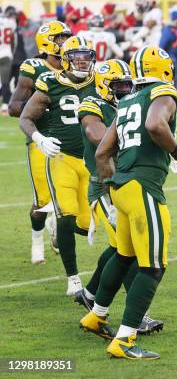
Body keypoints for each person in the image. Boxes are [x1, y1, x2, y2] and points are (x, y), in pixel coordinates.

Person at [80, 45, 177, 360]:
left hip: (121, 186)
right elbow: (156, 125)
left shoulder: (125, 101)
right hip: (143, 187)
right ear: (164, 69)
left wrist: (112, 190)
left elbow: (102, 153)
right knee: (153, 265)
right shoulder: (162, 92)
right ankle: (125, 338)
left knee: (124, 255)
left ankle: (96, 314)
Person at [76, 59, 163, 334]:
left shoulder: (127, 104)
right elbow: (96, 135)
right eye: (120, 85)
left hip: (125, 183)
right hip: (104, 185)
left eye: (129, 84)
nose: (126, 90)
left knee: (120, 249)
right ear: (104, 86)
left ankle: (90, 296)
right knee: (133, 251)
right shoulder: (92, 103)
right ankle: (137, 316)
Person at [19, 36, 98, 294]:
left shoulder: (99, 82)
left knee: (86, 225)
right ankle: (73, 279)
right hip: (61, 158)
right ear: (65, 59)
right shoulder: (50, 82)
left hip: (89, 160)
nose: (82, 62)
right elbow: (26, 118)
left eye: (86, 57)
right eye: (77, 57)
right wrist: (39, 139)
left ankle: (56, 225)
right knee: (66, 215)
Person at [9, 21, 71, 264]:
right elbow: (15, 107)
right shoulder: (34, 67)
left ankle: (59, 227)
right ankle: (37, 239)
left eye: (66, 38)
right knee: (42, 200)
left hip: (69, 139)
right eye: (60, 38)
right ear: (47, 43)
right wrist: (45, 109)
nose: (65, 43)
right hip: (41, 138)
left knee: (69, 195)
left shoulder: (73, 64)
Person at [0, 6, 17, 114]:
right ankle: (5, 104)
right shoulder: (11, 22)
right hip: (6, 54)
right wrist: (12, 52)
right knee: (5, 81)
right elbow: (14, 41)